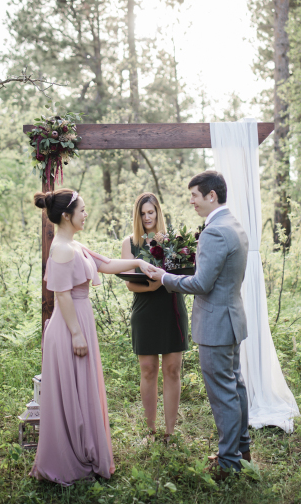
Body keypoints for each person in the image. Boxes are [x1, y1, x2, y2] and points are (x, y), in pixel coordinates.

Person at [30, 188, 155, 485]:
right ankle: (70, 459)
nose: (86, 214)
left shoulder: (74, 244)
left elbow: (107, 265)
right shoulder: (60, 248)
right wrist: (76, 334)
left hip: (80, 320)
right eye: (82, 210)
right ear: (66, 215)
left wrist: (138, 263)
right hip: (70, 326)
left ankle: (86, 452)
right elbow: (61, 294)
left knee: (83, 388)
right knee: (72, 392)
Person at [146, 172, 251, 480]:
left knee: (223, 394)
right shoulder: (233, 225)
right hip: (232, 319)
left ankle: (229, 461)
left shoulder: (215, 232)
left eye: (194, 195)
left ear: (211, 196)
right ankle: (241, 448)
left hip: (216, 324)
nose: (190, 200)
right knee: (236, 386)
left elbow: (202, 283)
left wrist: (164, 277)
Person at [121, 193, 189, 442]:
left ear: (159, 212)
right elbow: (129, 283)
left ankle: (170, 432)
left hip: (171, 308)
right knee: (148, 370)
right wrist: (150, 287)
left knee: (172, 370)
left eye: (151, 212)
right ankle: (150, 431)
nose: (147, 217)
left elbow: (185, 274)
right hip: (145, 309)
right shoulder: (130, 243)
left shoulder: (174, 240)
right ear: (137, 216)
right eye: (142, 213)